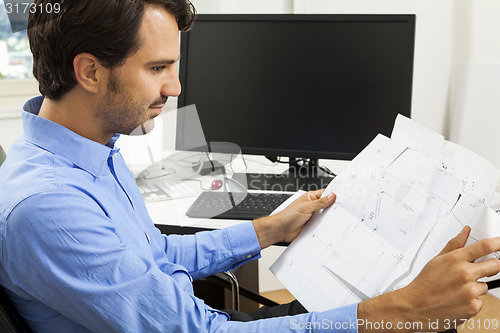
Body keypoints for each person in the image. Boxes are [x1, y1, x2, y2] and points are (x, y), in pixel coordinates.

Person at [0, 1, 499, 332]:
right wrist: (401, 312)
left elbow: (156, 254)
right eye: (158, 68)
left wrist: (265, 229)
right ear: (89, 71)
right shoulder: (49, 206)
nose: (175, 88)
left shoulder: (87, 150)